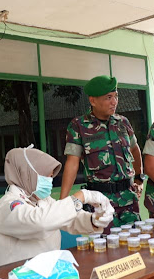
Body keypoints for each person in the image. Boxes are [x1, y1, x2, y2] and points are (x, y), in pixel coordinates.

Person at [0, 147, 114, 266]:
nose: (50, 181)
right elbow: (40, 222)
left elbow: (68, 219)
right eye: (47, 177)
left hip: (47, 274)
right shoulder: (7, 205)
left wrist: (94, 220)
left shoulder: (42, 200)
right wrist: (80, 197)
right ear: (28, 175)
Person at [60, 75, 144, 228]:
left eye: (116, 96)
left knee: (135, 245)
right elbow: (72, 164)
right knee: (106, 247)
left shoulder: (123, 123)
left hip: (128, 200)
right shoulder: (79, 126)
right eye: (108, 97)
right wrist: (63, 202)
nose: (114, 102)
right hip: (100, 202)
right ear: (93, 101)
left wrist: (139, 178)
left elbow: (135, 150)